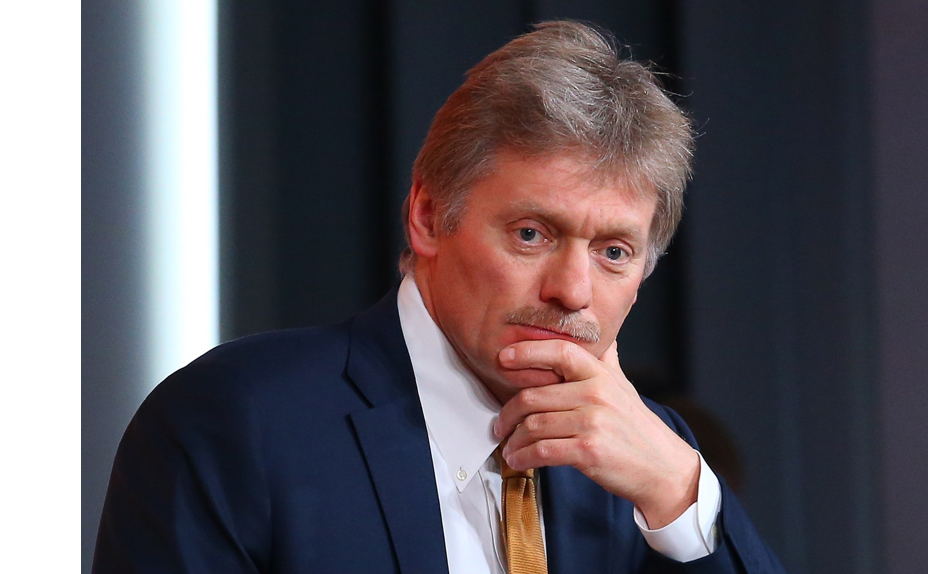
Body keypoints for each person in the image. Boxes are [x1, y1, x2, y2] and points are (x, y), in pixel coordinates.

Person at [93, 21, 785, 574]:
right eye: (531, 233)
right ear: (427, 216)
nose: (572, 291)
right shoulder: (235, 419)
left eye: (613, 253)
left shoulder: (651, 456)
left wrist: (680, 493)